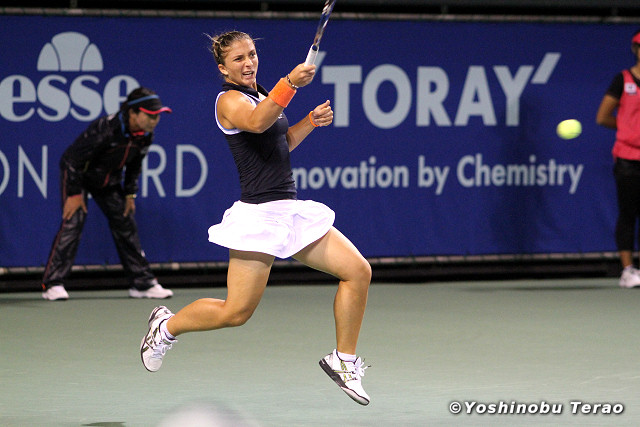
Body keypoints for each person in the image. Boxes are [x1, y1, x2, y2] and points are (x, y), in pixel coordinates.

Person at [139, 31, 372, 405]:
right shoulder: (229, 101)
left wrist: (310, 121)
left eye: (252, 54)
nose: (248, 63)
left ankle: (343, 361)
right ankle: (165, 327)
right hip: (258, 218)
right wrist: (290, 83)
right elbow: (257, 124)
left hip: (290, 211)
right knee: (236, 313)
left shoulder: (261, 94)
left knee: (358, 271)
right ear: (223, 68)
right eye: (238, 59)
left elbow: (281, 142)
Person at [41, 87, 174, 301]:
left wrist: (129, 194)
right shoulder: (107, 129)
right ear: (133, 113)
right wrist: (74, 193)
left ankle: (142, 284)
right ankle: (53, 284)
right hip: (79, 177)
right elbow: (71, 160)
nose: (154, 121)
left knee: (125, 222)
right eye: (150, 115)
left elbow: (134, 166)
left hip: (107, 181)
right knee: (73, 222)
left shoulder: (145, 135)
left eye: (157, 115)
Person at [596, 29, 640, 288]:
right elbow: (603, 117)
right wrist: (627, 129)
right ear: (635, 50)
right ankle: (627, 271)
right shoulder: (622, 80)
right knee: (628, 213)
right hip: (627, 159)